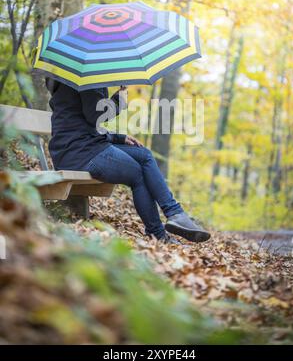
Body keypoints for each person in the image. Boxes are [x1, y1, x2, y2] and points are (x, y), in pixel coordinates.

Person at [46, 78, 210, 244]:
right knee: (137, 173)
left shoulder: (71, 78)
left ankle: (175, 214)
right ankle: (159, 233)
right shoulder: (90, 79)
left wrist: (118, 137)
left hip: (76, 150)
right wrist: (120, 100)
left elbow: (78, 124)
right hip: (82, 154)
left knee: (144, 155)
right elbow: (94, 115)